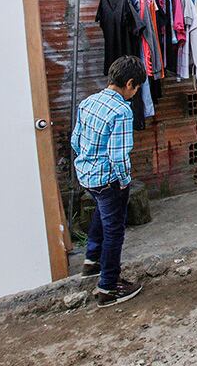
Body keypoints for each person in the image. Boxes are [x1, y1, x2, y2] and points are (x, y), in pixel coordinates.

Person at [72, 55, 145, 307]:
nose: (134, 94)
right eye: (136, 89)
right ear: (130, 84)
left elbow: (75, 141)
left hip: (87, 176)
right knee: (114, 230)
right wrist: (124, 181)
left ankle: (91, 262)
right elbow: (118, 155)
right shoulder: (122, 111)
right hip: (108, 179)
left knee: (101, 216)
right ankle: (108, 287)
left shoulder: (88, 102)